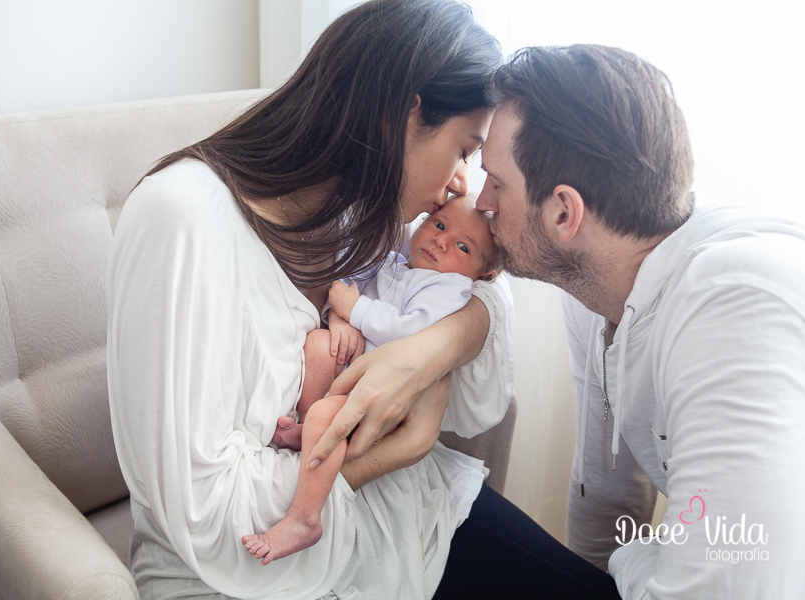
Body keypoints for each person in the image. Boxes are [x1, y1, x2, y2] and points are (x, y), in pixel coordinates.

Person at [106, 1, 519, 598]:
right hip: (247, 570)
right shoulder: (182, 220)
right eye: (462, 149)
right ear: (403, 113)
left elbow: (483, 328)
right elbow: (211, 523)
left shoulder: (357, 216)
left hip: (398, 517)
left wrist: (433, 348)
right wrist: (400, 446)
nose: (461, 185)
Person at [473, 44, 805, 599]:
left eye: (496, 183)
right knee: (456, 516)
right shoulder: (594, 282)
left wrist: (641, 555)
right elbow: (607, 493)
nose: (480, 202)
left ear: (564, 212)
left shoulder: (738, 305)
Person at [243, 193, 504, 565]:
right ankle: (308, 432)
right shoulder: (396, 262)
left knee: (326, 418)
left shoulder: (450, 291)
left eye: (462, 246)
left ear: (483, 274)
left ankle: (304, 519)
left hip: (387, 397)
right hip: (355, 371)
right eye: (439, 224)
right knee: (319, 347)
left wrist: (356, 310)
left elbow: (411, 334)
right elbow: (345, 288)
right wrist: (338, 320)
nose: (441, 240)